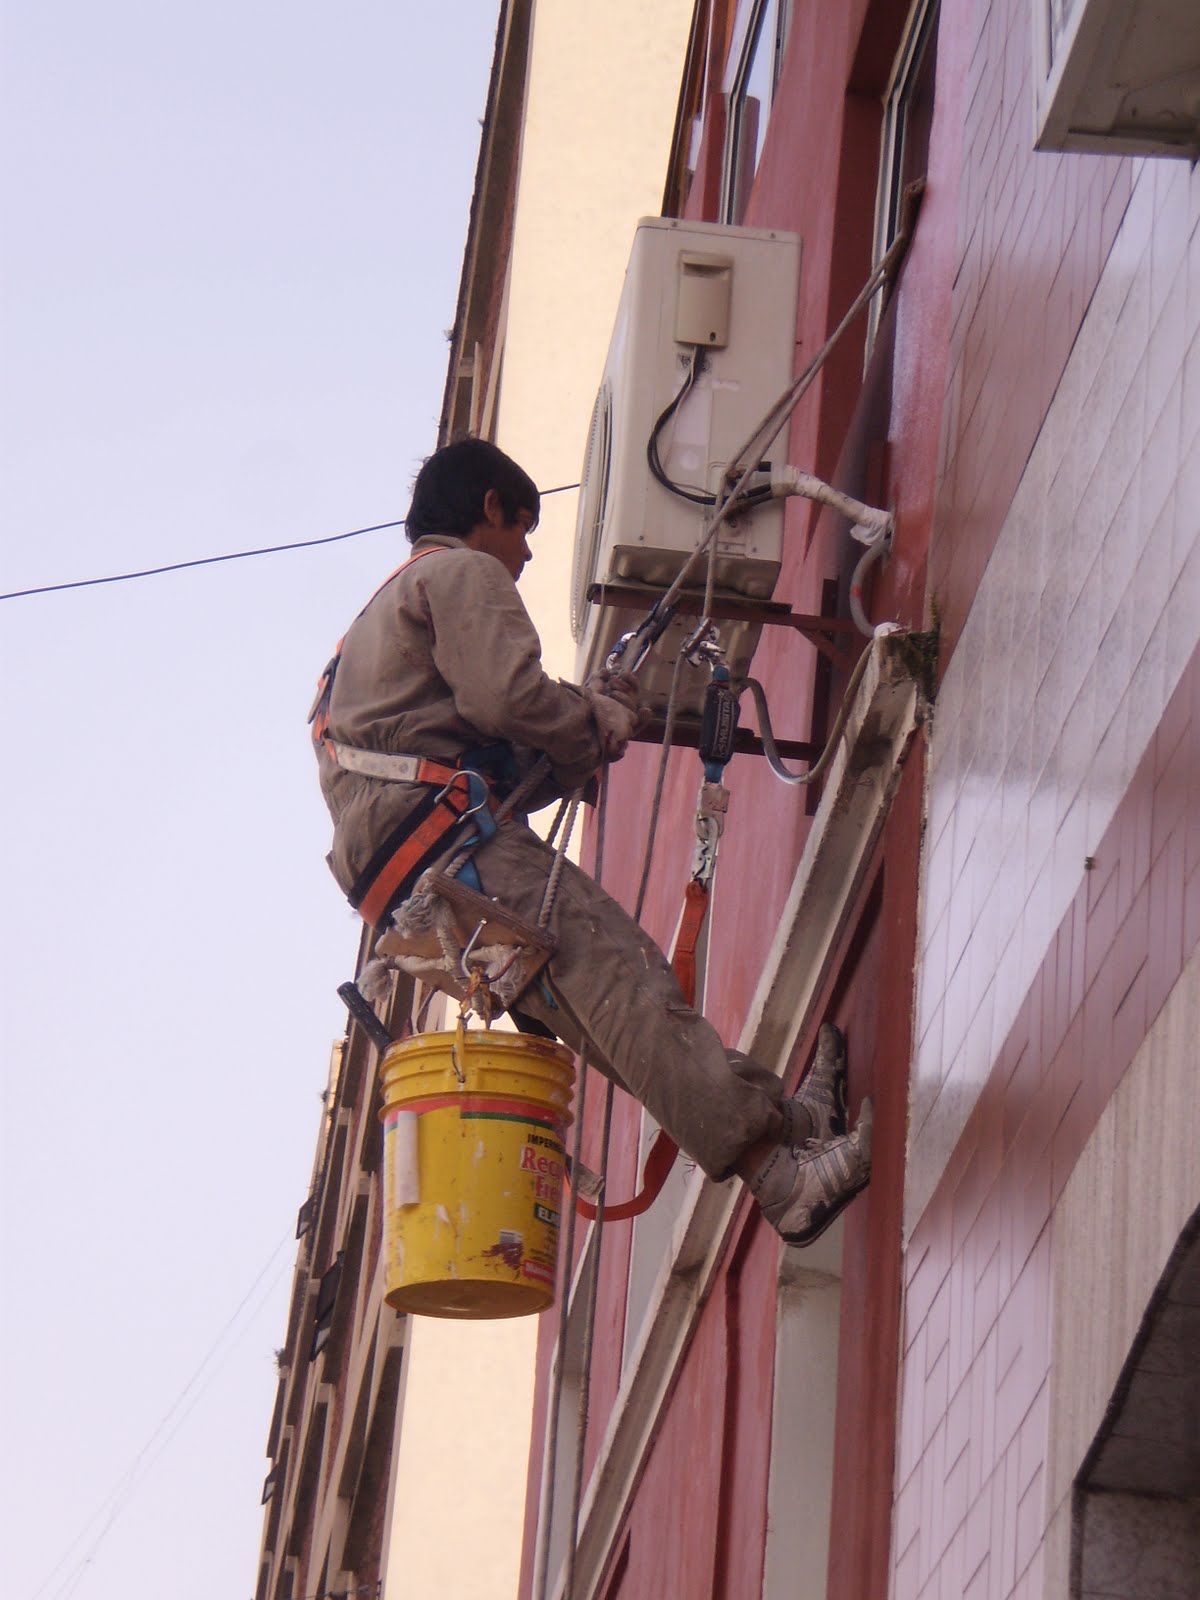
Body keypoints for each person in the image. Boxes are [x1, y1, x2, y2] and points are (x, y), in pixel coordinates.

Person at [313, 438, 872, 1244]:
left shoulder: (366, 639)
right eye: (523, 528)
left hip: (426, 890)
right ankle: (786, 1181)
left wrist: (580, 724)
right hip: (463, 861)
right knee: (631, 994)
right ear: (491, 509)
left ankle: (788, 1129)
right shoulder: (459, 575)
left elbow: (484, 759)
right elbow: (508, 698)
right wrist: (590, 719)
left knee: (619, 1018)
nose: (527, 553)